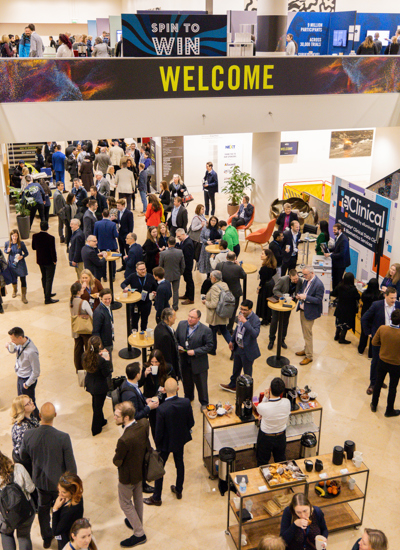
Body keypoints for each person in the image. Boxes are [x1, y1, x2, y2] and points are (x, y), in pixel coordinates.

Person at [20, 402, 77, 549]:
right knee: (62, 510)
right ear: (55, 416)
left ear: (39, 415)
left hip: (40, 482)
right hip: (60, 485)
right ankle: (62, 537)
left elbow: (22, 456)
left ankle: (46, 538)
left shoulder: (28, 435)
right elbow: (71, 467)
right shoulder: (63, 437)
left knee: (43, 510)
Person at [144, 378, 194, 506]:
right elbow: (191, 423)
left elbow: (159, 431)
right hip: (179, 440)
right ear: (178, 388)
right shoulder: (186, 402)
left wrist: (158, 445)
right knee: (180, 464)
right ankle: (179, 490)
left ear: (164, 390)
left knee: (159, 468)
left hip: (165, 444)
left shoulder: (162, 409)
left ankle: (157, 497)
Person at [113, 401, 149, 549]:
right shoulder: (143, 425)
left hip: (127, 476)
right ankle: (137, 522)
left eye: (117, 416)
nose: (114, 417)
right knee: (138, 498)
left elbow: (117, 461)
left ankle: (139, 533)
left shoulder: (124, 440)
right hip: (140, 471)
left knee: (125, 504)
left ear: (126, 418)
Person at [362, 287, 400, 395]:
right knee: (376, 361)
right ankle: (373, 384)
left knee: (386, 363)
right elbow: (364, 318)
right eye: (392, 298)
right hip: (379, 339)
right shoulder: (376, 305)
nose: (394, 300)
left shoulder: (398, 305)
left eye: (395, 298)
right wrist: (368, 333)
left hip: (392, 340)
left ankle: (380, 381)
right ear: (385, 296)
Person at [175, 309, 214, 410]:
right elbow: (176, 339)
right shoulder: (181, 324)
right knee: (186, 382)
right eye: (189, 316)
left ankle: (204, 402)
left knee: (201, 385)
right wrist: (178, 346)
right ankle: (189, 397)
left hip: (199, 364)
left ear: (199, 319)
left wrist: (195, 352)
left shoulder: (206, 330)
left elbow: (209, 346)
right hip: (184, 362)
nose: (189, 319)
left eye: (192, 317)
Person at [220, 300, 261, 393]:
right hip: (238, 348)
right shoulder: (240, 315)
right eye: (241, 309)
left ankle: (247, 392)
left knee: (247, 374)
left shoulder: (256, 320)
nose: (242, 311)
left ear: (251, 309)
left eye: (245, 310)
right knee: (236, 369)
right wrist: (231, 340)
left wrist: (245, 322)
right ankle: (233, 385)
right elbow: (238, 329)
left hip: (247, 351)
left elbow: (255, 334)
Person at [0, 450, 36, 550]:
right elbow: (31, 488)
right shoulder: (18, 468)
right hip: (25, 513)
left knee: (6, 534)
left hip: (6, 517)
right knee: (24, 537)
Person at [139, 349, 177, 435]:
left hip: (163, 400)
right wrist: (145, 374)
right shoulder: (146, 367)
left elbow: (174, 382)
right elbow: (139, 384)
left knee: (165, 423)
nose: (154, 364)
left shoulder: (168, 368)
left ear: (161, 361)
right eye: (152, 362)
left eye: (156, 362)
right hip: (151, 400)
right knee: (154, 425)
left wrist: (166, 388)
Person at [370, 309, 400, 417]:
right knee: (393, 387)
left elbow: (374, 342)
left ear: (391, 318)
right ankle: (389, 410)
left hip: (382, 361)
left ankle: (374, 404)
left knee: (378, 383)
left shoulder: (382, 329)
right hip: (396, 365)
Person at [256, 378, 291, 466]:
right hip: (281, 436)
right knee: (281, 461)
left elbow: (260, 408)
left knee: (262, 462)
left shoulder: (263, 407)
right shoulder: (287, 402)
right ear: (282, 391)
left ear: (270, 389)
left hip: (265, 437)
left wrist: (265, 397)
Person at [83, 335, 112, 435]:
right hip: (100, 387)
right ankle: (95, 429)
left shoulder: (85, 356)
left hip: (90, 384)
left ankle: (102, 420)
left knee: (96, 403)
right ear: (99, 346)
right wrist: (107, 360)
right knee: (98, 407)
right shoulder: (102, 361)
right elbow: (106, 373)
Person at [295, 266, 324, 365]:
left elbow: (318, 300)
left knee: (308, 334)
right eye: (303, 274)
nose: (304, 276)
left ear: (312, 273)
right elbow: (302, 290)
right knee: (304, 332)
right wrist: (299, 295)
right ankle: (306, 349)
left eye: (306, 274)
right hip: (303, 310)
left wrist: (306, 297)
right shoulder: (306, 280)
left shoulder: (319, 284)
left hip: (310, 312)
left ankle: (309, 356)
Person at [269, 270, 302, 350]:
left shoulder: (300, 281)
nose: (296, 281)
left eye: (296, 278)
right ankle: (272, 340)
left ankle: (282, 339)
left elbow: (300, 291)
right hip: (279, 303)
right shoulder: (282, 279)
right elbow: (275, 290)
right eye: (294, 279)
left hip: (289, 304)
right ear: (289, 277)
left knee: (285, 322)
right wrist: (284, 296)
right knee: (274, 321)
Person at [121, 262, 158, 331]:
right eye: (141, 269)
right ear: (137, 270)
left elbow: (155, 288)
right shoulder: (132, 276)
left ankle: (142, 338)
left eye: (144, 269)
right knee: (134, 323)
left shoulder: (150, 277)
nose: (143, 271)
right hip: (135, 304)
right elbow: (123, 284)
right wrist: (126, 288)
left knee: (144, 323)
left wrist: (154, 292)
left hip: (146, 303)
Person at [52, 473, 84, 550]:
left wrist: (55, 509)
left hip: (67, 540)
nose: (59, 494)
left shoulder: (70, 511)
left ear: (72, 492)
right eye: (59, 490)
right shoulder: (77, 496)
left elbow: (55, 531)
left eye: (63, 492)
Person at [216, 252, 246, 333]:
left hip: (222, 292)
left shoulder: (219, 265)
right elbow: (244, 276)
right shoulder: (237, 268)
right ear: (235, 258)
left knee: (221, 309)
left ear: (226, 257)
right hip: (234, 292)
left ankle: (220, 329)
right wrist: (239, 265)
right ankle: (229, 329)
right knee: (233, 311)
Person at [203, 270, 231, 352]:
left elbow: (214, 304)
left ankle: (212, 349)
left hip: (215, 315)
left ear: (214, 278)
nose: (210, 278)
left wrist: (206, 302)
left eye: (211, 276)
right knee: (224, 330)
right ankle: (234, 348)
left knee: (212, 331)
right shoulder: (224, 284)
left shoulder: (215, 287)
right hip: (223, 311)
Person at [31, 221, 58, 304]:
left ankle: (47, 293)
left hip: (40, 261)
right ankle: (47, 298)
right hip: (49, 261)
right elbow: (52, 251)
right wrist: (54, 260)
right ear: (48, 228)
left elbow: (33, 247)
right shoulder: (51, 238)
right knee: (49, 279)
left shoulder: (35, 236)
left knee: (44, 277)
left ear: (40, 227)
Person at [331, 272, 360, 344]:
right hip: (348, 310)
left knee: (339, 322)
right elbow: (357, 297)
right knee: (345, 324)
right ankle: (342, 338)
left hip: (340, 308)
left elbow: (334, 293)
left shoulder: (340, 286)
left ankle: (336, 335)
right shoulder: (353, 289)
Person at [10, 394, 39, 466]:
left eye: (30, 400)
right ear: (22, 409)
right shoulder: (23, 429)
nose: (32, 403)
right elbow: (25, 452)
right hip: (27, 461)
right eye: (28, 403)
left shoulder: (31, 416)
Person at [70, 282, 93, 372]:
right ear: (79, 291)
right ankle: (88, 367)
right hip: (84, 328)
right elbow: (92, 315)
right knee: (88, 349)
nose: (83, 290)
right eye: (82, 289)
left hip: (75, 328)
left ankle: (78, 368)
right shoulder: (83, 303)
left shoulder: (70, 301)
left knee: (78, 349)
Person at [159, 236, 185, 311]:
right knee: (176, 291)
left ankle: (166, 306)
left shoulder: (163, 253)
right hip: (176, 274)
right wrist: (180, 273)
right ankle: (175, 306)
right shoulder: (180, 252)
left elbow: (160, 266)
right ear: (175, 243)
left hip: (166, 275)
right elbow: (183, 265)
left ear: (168, 243)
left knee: (166, 291)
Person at [358, 279, 382, 356]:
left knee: (364, 333)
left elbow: (362, 300)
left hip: (365, 314)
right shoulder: (379, 296)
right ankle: (371, 354)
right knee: (374, 335)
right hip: (375, 317)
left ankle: (361, 350)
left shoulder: (365, 294)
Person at [5, 229, 29, 304]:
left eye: (16, 236)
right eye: (13, 236)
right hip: (12, 265)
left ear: (18, 236)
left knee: (23, 279)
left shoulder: (21, 244)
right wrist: (7, 251)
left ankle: (24, 296)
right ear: (11, 236)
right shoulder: (7, 243)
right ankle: (15, 290)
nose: (14, 237)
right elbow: (5, 251)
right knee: (14, 279)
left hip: (20, 264)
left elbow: (26, 253)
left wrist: (22, 256)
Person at [324, 223, 351, 291]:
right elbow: (335, 248)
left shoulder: (344, 240)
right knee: (334, 278)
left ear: (340, 230)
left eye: (335, 230)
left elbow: (342, 254)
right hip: (336, 262)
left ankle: (338, 294)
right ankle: (334, 291)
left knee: (338, 279)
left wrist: (330, 255)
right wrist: (327, 250)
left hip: (341, 264)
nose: (333, 231)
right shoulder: (337, 237)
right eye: (333, 230)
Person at [94, 209, 119, 279]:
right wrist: (117, 232)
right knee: (112, 261)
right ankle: (113, 276)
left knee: (103, 261)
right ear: (109, 215)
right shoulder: (113, 224)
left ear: (102, 214)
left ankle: (104, 276)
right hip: (112, 245)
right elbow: (115, 235)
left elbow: (94, 234)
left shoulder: (97, 224)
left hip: (101, 245)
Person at [154, 308, 180, 374]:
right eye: (174, 316)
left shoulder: (159, 326)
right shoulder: (165, 336)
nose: (176, 318)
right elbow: (167, 356)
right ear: (169, 318)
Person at [256, 248, 277, 326]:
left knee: (263, 301)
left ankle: (265, 319)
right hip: (271, 283)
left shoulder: (265, 267)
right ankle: (268, 317)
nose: (261, 255)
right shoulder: (272, 264)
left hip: (266, 286)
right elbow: (274, 272)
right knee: (269, 300)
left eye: (262, 254)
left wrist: (259, 287)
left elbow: (262, 280)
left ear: (267, 256)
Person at [92, 289, 114, 360]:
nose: (108, 301)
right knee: (106, 363)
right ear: (100, 298)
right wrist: (100, 346)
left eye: (109, 298)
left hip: (109, 339)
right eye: (105, 299)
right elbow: (95, 331)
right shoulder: (98, 312)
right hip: (104, 343)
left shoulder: (108, 307)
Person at [175, 228, 195, 305]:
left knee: (189, 281)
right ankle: (187, 294)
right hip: (185, 266)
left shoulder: (188, 243)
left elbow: (187, 257)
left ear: (183, 234)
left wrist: (184, 267)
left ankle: (191, 299)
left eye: (179, 236)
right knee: (187, 281)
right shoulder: (184, 241)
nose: (178, 238)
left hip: (187, 266)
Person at [116, 198, 134, 271]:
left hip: (126, 235)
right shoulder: (118, 212)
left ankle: (129, 266)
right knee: (121, 250)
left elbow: (131, 225)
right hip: (120, 234)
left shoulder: (129, 213)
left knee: (128, 251)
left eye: (119, 206)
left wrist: (129, 235)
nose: (117, 207)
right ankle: (124, 265)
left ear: (123, 205)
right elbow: (119, 221)